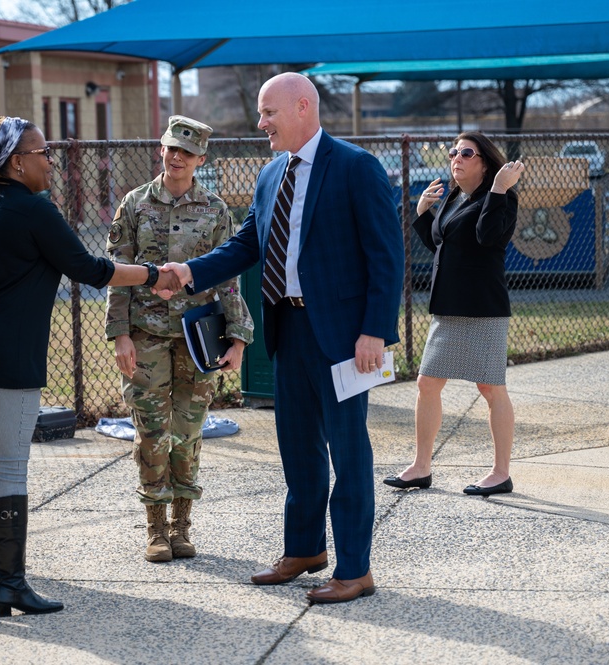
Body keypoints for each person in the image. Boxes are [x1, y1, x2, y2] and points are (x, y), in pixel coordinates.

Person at [0, 116, 178, 615]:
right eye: (42, 152)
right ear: (17, 162)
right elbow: (90, 269)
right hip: (1, 356)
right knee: (9, 465)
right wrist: (156, 274)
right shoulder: (35, 211)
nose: (50, 160)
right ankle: (9, 585)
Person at [158, 73, 403, 604]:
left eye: (269, 112)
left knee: (348, 451)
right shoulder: (272, 174)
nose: (261, 122)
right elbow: (247, 244)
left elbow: (387, 258)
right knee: (297, 448)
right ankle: (306, 549)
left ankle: (355, 568)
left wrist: (375, 332)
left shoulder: (357, 168)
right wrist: (189, 271)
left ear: (301, 107)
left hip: (343, 338)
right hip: (288, 331)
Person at [106, 115, 253, 562]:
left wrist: (239, 338)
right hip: (147, 335)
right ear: (162, 150)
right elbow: (117, 276)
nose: (176, 157)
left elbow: (229, 277)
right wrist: (120, 335)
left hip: (198, 336)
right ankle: (155, 528)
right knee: (152, 431)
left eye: (186, 153)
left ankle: (182, 525)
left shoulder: (215, 210)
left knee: (187, 433)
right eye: (171, 149)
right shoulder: (134, 204)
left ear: (200, 159)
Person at [384, 132, 523, 496]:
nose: (456, 159)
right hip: (447, 308)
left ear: (485, 162)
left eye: (465, 153)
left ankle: (500, 473)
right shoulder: (454, 197)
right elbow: (443, 246)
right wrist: (422, 214)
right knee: (427, 383)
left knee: (491, 388)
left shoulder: (503, 199)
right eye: (452, 153)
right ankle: (421, 467)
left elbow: (486, 237)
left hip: (483, 308)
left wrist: (497, 189)